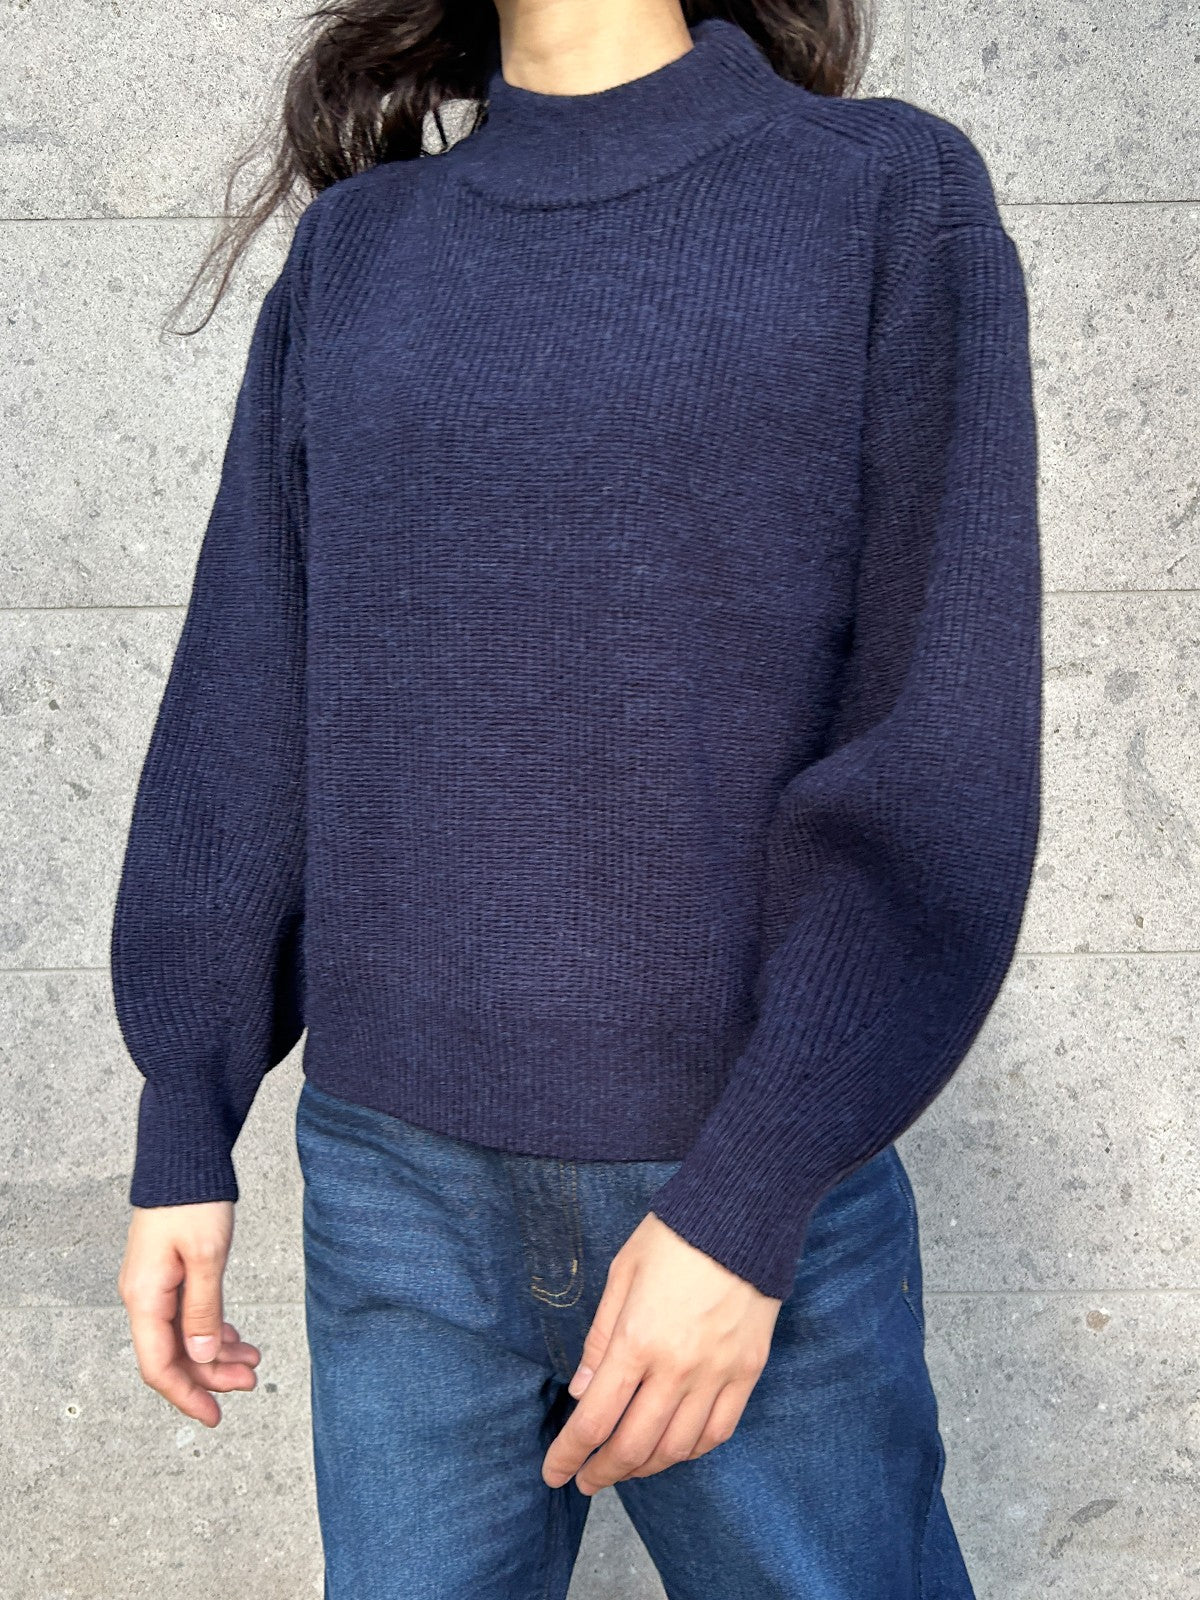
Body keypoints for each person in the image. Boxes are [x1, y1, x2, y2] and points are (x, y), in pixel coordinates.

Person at [110, 2, 1042, 1595]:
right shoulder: (360, 252)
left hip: (735, 1181)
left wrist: (748, 1203)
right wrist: (185, 1116)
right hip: (394, 1196)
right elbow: (246, 700)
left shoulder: (883, 196)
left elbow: (939, 743)